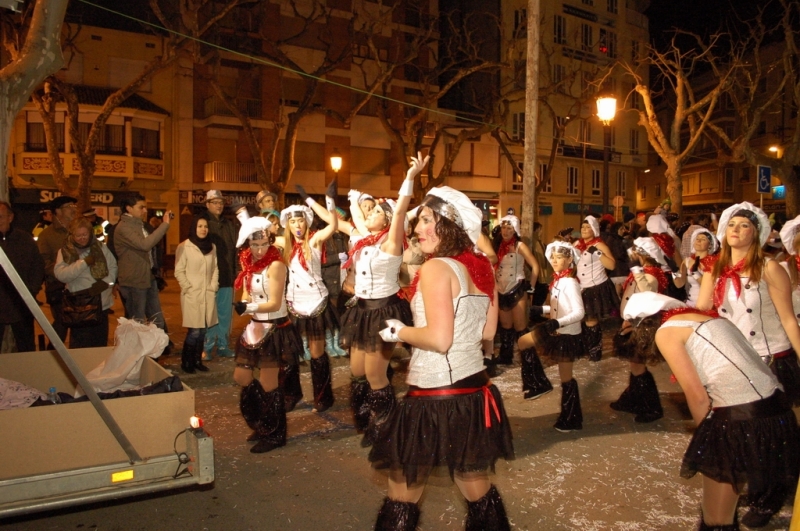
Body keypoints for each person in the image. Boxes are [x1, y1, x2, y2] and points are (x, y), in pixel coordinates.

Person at [370, 186, 513, 530]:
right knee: (473, 483)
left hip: (435, 395)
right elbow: (487, 333)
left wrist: (398, 331)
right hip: (474, 392)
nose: (418, 229)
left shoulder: (437, 269)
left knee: (402, 489)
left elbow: (438, 338)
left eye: (427, 220)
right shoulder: (480, 269)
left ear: (449, 225)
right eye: (418, 221)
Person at [622, 292, 799, 531]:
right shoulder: (712, 319)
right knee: (726, 507)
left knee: (716, 519)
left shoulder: (666, 332)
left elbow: (696, 396)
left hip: (740, 419)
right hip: (778, 412)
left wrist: (706, 442)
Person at [697, 201, 800, 527]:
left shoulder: (770, 268)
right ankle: (744, 493)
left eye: (744, 225)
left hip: (771, 361)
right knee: (740, 435)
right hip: (733, 365)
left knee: (775, 438)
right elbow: (702, 315)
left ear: (756, 233)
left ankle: (769, 496)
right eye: (731, 226)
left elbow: (788, 318)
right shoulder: (713, 270)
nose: (736, 230)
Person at [233, 215, 304, 453]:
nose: (260, 249)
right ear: (248, 245)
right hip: (254, 327)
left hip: (275, 328)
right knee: (241, 377)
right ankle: (262, 421)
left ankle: (274, 434)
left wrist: (248, 307)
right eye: (255, 245)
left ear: (271, 242)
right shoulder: (247, 263)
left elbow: (274, 303)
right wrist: (243, 303)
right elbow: (246, 294)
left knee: (268, 383)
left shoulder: (277, 265)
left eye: (264, 244)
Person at [281, 189, 338, 413]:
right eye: (293, 221)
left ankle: (323, 398)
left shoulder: (314, 240)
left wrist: (330, 201)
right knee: (289, 353)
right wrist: (242, 215)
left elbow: (332, 226)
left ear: (306, 222)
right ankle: (292, 394)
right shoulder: (283, 243)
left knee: (316, 353)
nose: (297, 225)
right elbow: (258, 236)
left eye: (301, 220)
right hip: (294, 303)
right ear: (287, 224)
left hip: (316, 302)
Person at [520, 240, 584, 431]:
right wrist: (541, 309)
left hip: (567, 334)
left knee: (566, 377)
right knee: (523, 342)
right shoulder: (558, 280)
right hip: (555, 328)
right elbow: (558, 308)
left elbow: (579, 312)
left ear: (570, 259)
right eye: (553, 257)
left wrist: (557, 322)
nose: (554, 260)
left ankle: (571, 418)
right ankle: (539, 384)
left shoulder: (570, 283)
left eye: (559, 257)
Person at [609, 237, 669, 423]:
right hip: (633, 322)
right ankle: (632, 399)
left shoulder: (650, 275)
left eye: (635, 252)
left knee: (638, 365)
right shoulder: (641, 273)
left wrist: (637, 271)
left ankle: (651, 407)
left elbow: (647, 294)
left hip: (642, 324)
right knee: (634, 364)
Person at [53, 217, 117, 348]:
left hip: (101, 305)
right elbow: (61, 275)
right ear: (72, 234)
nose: (82, 238)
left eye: (85, 234)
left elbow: (113, 267)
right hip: (79, 308)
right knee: (80, 346)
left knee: (99, 344)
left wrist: (106, 283)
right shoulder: (65, 251)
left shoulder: (101, 248)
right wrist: (83, 263)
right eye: (78, 235)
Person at [113, 194, 171, 331]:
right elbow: (145, 245)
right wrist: (164, 225)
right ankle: (136, 352)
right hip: (134, 282)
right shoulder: (124, 227)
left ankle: (154, 351)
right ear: (129, 209)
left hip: (147, 278)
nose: (145, 211)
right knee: (136, 324)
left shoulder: (139, 225)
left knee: (157, 322)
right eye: (141, 207)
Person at [492, 214, 539, 366]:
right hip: (501, 289)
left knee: (521, 327)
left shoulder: (520, 246)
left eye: (509, 228)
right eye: (503, 228)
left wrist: (530, 286)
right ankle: (506, 357)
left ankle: (528, 358)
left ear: (515, 230)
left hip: (517, 288)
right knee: (505, 327)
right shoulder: (496, 246)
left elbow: (535, 266)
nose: (505, 231)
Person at [174, 214, 219, 374]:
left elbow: (215, 269)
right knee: (194, 331)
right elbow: (179, 270)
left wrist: (213, 286)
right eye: (200, 226)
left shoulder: (212, 247)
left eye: (205, 226)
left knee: (203, 330)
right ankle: (187, 362)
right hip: (192, 294)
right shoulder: (184, 246)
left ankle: (197, 360)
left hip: (207, 293)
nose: (203, 229)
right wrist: (188, 287)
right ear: (194, 228)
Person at [0, 201, 44, 352]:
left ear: (10, 217)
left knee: (26, 348)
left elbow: (37, 267)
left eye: (0, 217)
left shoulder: (24, 240)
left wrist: (31, 291)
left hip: (21, 303)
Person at [574, 215, 618, 361]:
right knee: (581, 319)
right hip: (580, 286)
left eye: (588, 227)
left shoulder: (600, 245)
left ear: (594, 229)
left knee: (591, 319)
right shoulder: (578, 245)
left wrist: (597, 252)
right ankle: (586, 348)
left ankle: (594, 352)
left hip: (595, 287)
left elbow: (611, 265)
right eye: (582, 227)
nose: (585, 230)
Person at [38, 195, 79, 344]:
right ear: (57, 211)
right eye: (69, 207)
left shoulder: (77, 231)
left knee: (79, 325)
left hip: (79, 286)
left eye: (74, 207)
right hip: (58, 287)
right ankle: (52, 355)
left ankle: (76, 359)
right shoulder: (46, 235)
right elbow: (44, 263)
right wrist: (64, 274)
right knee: (62, 324)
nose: (73, 210)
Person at [203, 190, 238, 360]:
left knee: (224, 313)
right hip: (209, 278)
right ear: (207, 204)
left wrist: (236, 272)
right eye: (215, 202)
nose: (219, 205)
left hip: (226, 276)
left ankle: (223, 344)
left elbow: (234, 249)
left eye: (221, 203)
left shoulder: (228, 224)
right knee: (209, 313)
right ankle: (207, 346)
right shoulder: (203, 223)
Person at [674, 229, 719, 307]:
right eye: (697, 239)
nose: (699, 241)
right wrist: (674, 271)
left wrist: (696, 273)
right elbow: (680, 284)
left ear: (710, 245)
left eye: (703, 239)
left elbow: (709, 287)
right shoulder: (687, 261)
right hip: (690, 302)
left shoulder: (713, 263)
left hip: (706, 305)